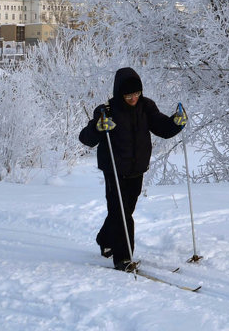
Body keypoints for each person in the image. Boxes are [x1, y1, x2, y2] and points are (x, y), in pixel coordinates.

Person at [79, 66, 186, 270]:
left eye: (136, 93)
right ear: (120, 92)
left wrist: (176, 123)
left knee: (124, 210)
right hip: (114, 169)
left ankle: (104, 239)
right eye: (128, 95)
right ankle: (123, 258)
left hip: (137, 168)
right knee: (121, 214)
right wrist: (98, 127)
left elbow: (162, 127)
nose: (133, 98)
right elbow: (86, 138)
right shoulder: (107, 110)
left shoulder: (147, 106)